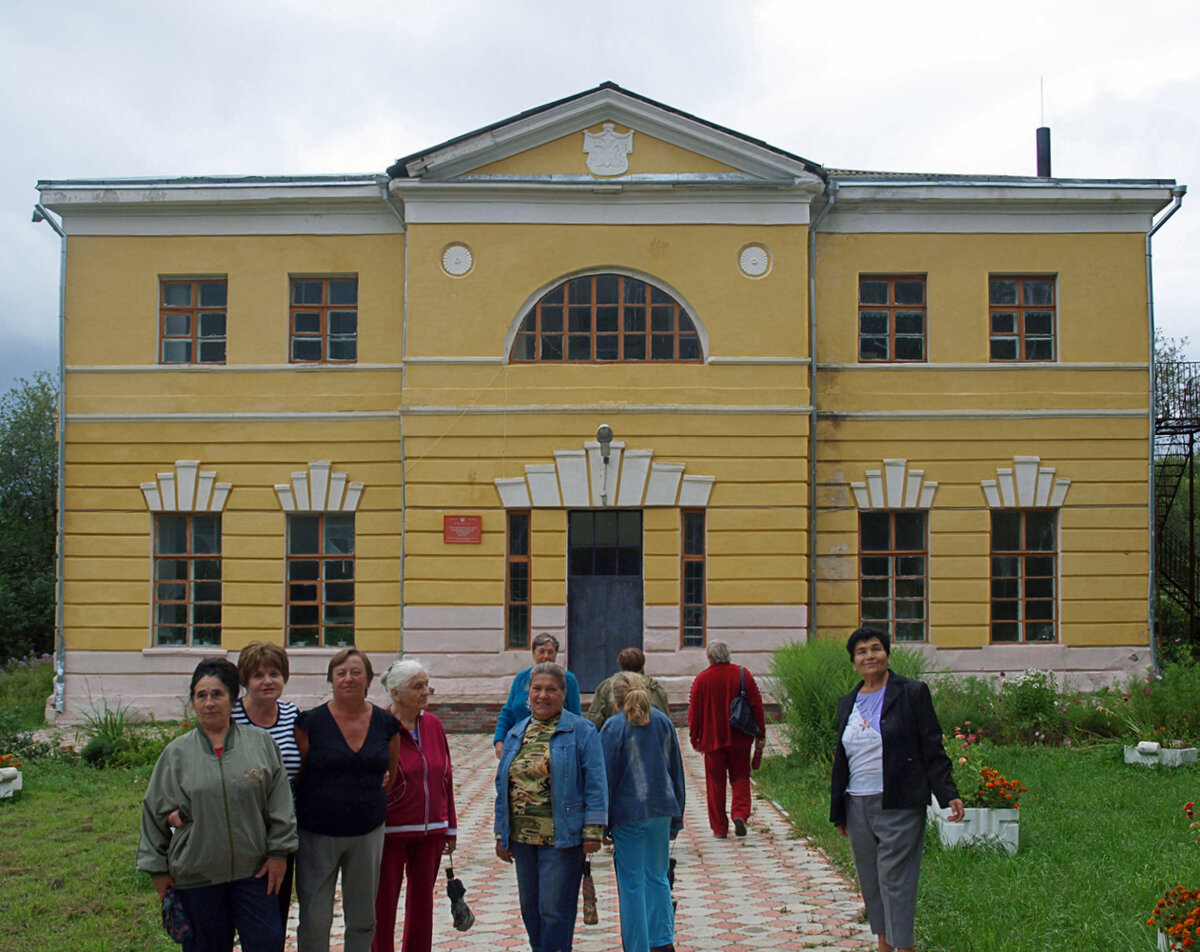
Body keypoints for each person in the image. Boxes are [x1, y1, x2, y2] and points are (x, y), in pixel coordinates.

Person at [137, 658, 297, 952]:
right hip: (197, 878)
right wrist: (157, 871)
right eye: (201, 695)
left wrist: (278, 852)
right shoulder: (176, 754)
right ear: (193, 701)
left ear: (233, 698)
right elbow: (153, 814)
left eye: (217, 694)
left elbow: (281, 804)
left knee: (266, 943)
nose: (209, 703)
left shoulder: (260, 744)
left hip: (255, 874)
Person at [830, 627, 964, 952]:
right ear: (854, 662)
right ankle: (883, 944)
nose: (869, 656)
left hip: (900, 801)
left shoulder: (911, 692)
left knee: (896, 879)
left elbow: (931, 746)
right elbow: (842, 759)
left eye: (876, 648)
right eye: (861, 651)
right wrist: (838, 811)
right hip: (856, 804)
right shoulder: (847, 701)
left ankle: (903, 946)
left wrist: (948, 792)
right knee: (871, 880)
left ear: (887, 655)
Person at [494, 662, 608, 952]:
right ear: (527, 693)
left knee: (554, 911)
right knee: (530, 910)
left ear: (563, 693)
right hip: (521, 839)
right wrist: (501, 834)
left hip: (562, 837)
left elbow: (596, 781)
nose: (543, 695)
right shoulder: (516, 733)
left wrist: (593, 829)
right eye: (537, 689)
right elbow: (502, 786)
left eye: (551, 689)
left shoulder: (581, 731)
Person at [294, 648, 400, 952]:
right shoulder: (309, 723)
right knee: (315, 918)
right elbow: (299, 772)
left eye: (356, 672)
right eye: (341, 673)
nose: (348, 679)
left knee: (363, 917)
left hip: (367, 833)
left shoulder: (385, 723)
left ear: (368, 679)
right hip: (317, 833)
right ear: (331, 679)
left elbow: (390, 774)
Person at [372, 659, 457, 952]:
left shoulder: (433, 724)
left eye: (426, 685)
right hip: (390, 830)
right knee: (382, 906)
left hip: (432, 829)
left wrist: (450, 826)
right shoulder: (379, 725)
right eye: (417, 686)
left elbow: (446, 775)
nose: (426, 692)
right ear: (396, 693)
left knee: (423, 905)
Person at [599, 672, 685, 952]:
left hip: (628, 813)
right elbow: (676, 771)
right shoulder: (663, 723)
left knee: (632, 883)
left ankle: (637, 946)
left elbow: (605, 778)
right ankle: (663, 941)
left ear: (615, 699)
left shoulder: (613, 727)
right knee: (658, 877)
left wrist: (601, 823)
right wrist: (678, 815)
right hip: (661, 809)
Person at [233, 641, 301, 924]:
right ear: (245, 681)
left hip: (282, 833)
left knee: (276, 915)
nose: (267, 681)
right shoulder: (232, 717)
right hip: (242, 833)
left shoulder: (291, 715)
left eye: (274, 673)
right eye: (258, 675)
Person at [687, 640, 765, 838]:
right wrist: (760, 734)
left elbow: (694, 712)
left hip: (712, 739)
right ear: (728, 655)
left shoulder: (702, 679)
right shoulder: (743, 674)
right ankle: (740, 813)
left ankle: (719, 828)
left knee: (715, 784)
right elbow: (756, 705)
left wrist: (694, 737)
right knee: (740, 778)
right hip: (740, 737)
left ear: (710, 657)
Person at [493, 633, 582, 759]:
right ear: (534, 653)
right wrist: (499, 741)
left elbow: (576, 716)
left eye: (550, 652)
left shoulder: (568, 680)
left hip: (554, 748)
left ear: (556, 655)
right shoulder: (521, 678)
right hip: (519, 745)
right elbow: (508, 713)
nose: (546, 656)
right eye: (541, 651)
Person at [586, 647, 670, 729]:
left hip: (615, 736)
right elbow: (665, 722)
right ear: (642, 664)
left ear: (620, 664)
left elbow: (594, 721)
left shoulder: (606, 686)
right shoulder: (654, 687)